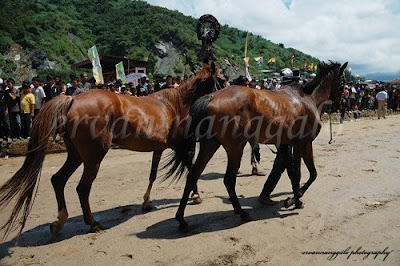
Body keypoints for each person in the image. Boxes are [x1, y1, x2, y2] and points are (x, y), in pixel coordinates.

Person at [0, 78, 11, 145]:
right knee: (0, 124)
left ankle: (8, 136)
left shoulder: (4, 92)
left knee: (6, 123)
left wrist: (6, 109)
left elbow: (7, 101)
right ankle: (1, 136)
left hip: (4, 110)